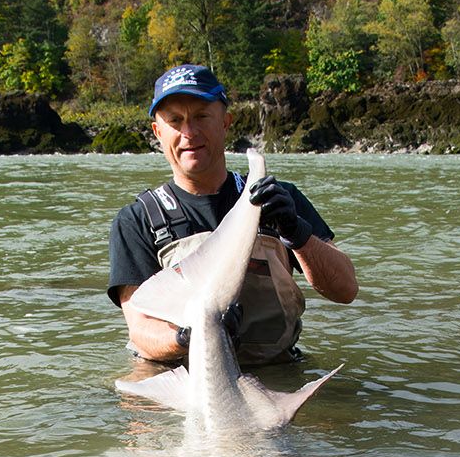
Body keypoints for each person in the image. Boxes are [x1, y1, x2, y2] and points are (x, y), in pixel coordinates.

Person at [107, 64, 358, 366]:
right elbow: (141, 330)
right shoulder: (136, 221)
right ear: (158, 132)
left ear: (225, 122)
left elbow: (346, 289)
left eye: (201, 116)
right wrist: (193, 334)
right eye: (175, 120)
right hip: (181, 375)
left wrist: (297, 232)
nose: (189, 133)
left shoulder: (280, 197)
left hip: (275, 368)